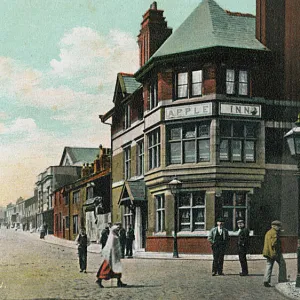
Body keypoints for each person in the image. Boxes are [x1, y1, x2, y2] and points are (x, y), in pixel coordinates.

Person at [262, 220, 287, 287]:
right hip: (274, 252)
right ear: (275, 226)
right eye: (279, 226)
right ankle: (282, 279)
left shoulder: (268, 232)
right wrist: (279, 250)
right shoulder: (274, 233)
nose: (279, 228)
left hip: (268, 252)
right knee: (282, 264)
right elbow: (274, 243)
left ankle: (266, 281)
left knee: (269, 265)